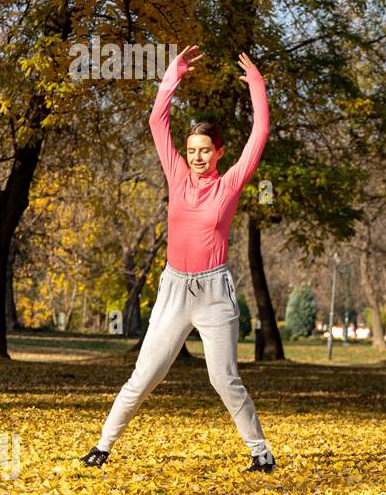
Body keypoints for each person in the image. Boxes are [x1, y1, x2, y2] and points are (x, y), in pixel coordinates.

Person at [80, 46, 276, 473]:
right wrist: (173, 75)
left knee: (223, 379)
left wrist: (257, 87)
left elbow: (260, 132)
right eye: (192, 149)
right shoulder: (176, 174)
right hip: (173, 289)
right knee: (143, 376)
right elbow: (156, 121)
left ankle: (260, 452)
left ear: (219, 152)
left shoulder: (230, 184)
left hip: (213, 293)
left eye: (205, 149)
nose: (197, 156)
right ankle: (102, 446)